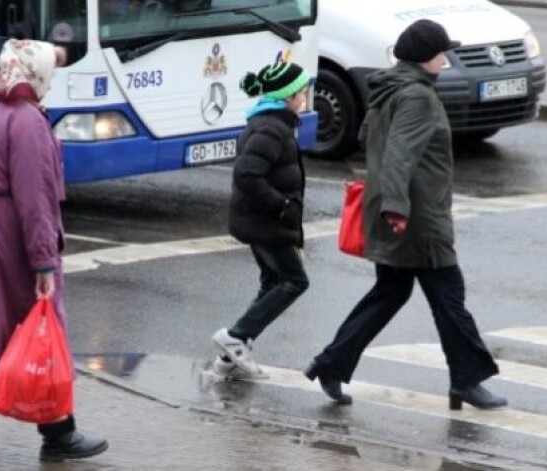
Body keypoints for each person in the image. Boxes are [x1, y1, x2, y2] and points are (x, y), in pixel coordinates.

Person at [304, 19, 508, 409]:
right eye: (441, 52)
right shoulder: (417, 96)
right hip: (416, 220)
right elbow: (399, 153)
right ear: (425, 57)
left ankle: (330, 364)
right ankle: (466, 381)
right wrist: (398, 208)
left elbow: (368, 139)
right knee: (450, 300)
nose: (445, 58)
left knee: (389, 293)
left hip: (392, 212)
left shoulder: (389, 87)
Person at [0, 39, 107, 462]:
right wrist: (44, 260)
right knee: (44, 324)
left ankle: (58, 431)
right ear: (36, 74)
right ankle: (59, 433)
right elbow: (35, 199)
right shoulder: (26, 120)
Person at [211, 61, 311, 379]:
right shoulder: (272, 128)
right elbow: (247, 173)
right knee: (295, 281)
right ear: (289, 96)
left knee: (272, 282)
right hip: (267, 223)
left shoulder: (271, 124)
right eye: (302, 91)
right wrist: (280, 206)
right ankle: (236, 337)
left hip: (260, 221)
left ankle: (230, 359)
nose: (306, 97)